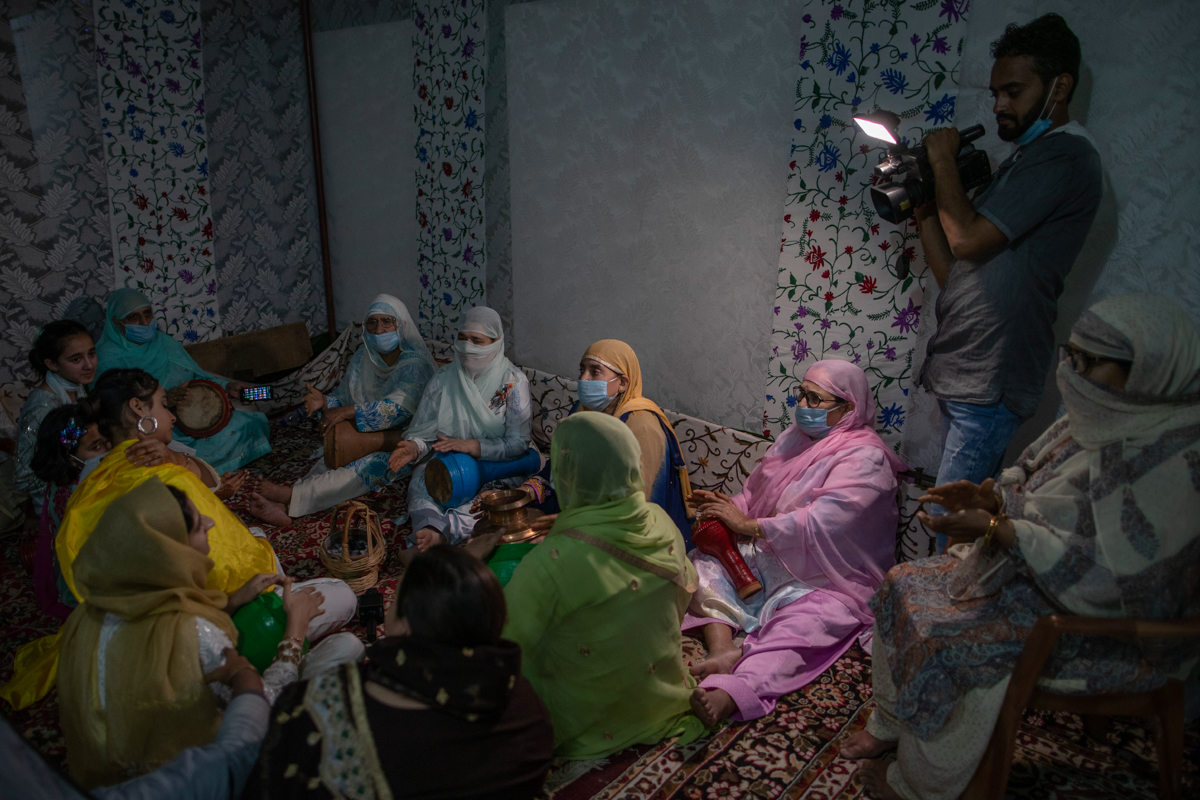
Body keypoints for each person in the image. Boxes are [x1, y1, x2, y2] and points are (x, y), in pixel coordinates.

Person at [843, 294, 1200, 800]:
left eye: (1089, 362)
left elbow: (1116, 574)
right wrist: (987, 497)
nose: (1071, 373)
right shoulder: (1098, 414)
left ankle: (922, 787)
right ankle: (892, 723)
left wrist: (997, 531)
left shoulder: (1179, 459)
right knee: (902, 583)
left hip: (1102, 625)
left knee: (945, 644)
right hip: (1039, 579)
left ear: (1150, 369)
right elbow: (1032, 481)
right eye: (1069, 355)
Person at [914, 14, 1103, 550]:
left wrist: (944, 160)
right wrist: (924, 204)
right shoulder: (1024, 161)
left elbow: (969, 239)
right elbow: (957, 273)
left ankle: (935, 630)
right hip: (965, 371)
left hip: (991, 378)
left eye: (1013, 91)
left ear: (1059, 87)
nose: (999, 105)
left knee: (952, 540)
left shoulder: (1066, 157)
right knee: (947, 532)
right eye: (996, 91)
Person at [58, 478, 363, 790]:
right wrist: (295, 630)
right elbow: (258, 713)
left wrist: (229, 604)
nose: (210, 520)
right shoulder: (193, 631)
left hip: (120, 784)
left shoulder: (85, 618)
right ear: (173, 551)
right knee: (346, 647)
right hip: (206, 778)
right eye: (198, 528)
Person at [684, 360, 907, 726]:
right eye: (801, 393)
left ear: (848, 408)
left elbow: (826, 520)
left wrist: (749, 525)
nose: (802, 404)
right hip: (771, 555)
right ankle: (723, 648)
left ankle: (732, 694)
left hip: (827, 580)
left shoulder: (866, 458)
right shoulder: (794, 439)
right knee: (702, 562)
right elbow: (755, 497)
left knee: (800, 632)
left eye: (815, 398)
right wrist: (724, 512)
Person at [243, 545, 554, 799]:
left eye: (393, 602)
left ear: (405, 624)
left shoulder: (324, 707)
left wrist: (292, 636)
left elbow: (268, 742)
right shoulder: (529, 710)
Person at [503, 412, 706, 759]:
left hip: (583, 722)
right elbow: (685, 590)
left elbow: (505, 643)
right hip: (660, 698)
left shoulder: (552, 560)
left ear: (570, 477)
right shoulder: (660, 522)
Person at [249, 295, 436, 525]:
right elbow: (343, 399)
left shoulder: (414, 365)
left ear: (401, 325)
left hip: (405, 441)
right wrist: (325, 403)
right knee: (333, 456)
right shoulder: (362, 358)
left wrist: (348, 412)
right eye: (372, 322)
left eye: (387, 321)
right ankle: (286, 504)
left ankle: (290, 498)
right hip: (361, 432)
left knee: (361, 470)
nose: (379, 329)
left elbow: (396, 411)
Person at [388, 307, 533, 551]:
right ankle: (429, 526)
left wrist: (473, 447)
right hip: (447, 462)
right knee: (420, 483)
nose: (467, 346)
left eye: (477, 341)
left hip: (497, 467)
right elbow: (426, 433)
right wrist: (414, 448)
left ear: (496, 343)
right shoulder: (444, 378)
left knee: (495, 501)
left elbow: (518, 444)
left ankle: (445, 531)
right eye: (463, 338)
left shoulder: (514, 383)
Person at [522, 339, 693, 545]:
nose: (583, 379)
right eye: (582, 370)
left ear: (622, 383)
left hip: (624, 522)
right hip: (584, 508)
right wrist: (532, 489)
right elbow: (560, 463)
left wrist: (573, 526)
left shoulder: (642, 425)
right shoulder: (581, 410)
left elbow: (636, 501)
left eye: (595, 372)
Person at [95, 288, 270, 473]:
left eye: (147, 314)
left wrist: (227, 386)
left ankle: (199, 469)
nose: (145, 323)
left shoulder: (163, 343)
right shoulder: (106, 359)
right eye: (133, 317)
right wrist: (162, 404)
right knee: (159, 458)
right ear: (116, 322)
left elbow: (198, 376)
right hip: (152, 434)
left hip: (196, 425)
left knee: (249, 423)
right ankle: (195, 470)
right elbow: (111, 412)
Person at [28, 404, 112, 618]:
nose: (107, 452)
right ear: (69, 458)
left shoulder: (71, 479)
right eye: (96, 447)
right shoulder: (78, 492)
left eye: (107, 442)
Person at [15, 320, 97, 512]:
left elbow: (73, 440)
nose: (89, 365)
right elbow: (25, 474)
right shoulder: (43, 408)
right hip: (53, 493)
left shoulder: (76, 388)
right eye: (76, 359)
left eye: (91, 354)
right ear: (52, 364)